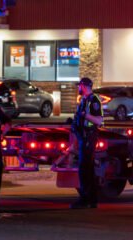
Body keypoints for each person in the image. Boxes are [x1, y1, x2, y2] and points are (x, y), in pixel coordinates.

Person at [70, 77, 103, 209]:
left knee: (85, 169)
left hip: (89, 138)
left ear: (84, 86)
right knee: (85, 169)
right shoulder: (84, 100)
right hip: (83, 138)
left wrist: (85, 115)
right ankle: (91, 199)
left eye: (79, 86)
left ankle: (86, 199)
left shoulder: (94, 100)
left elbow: (99, 121)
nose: (78, 88)